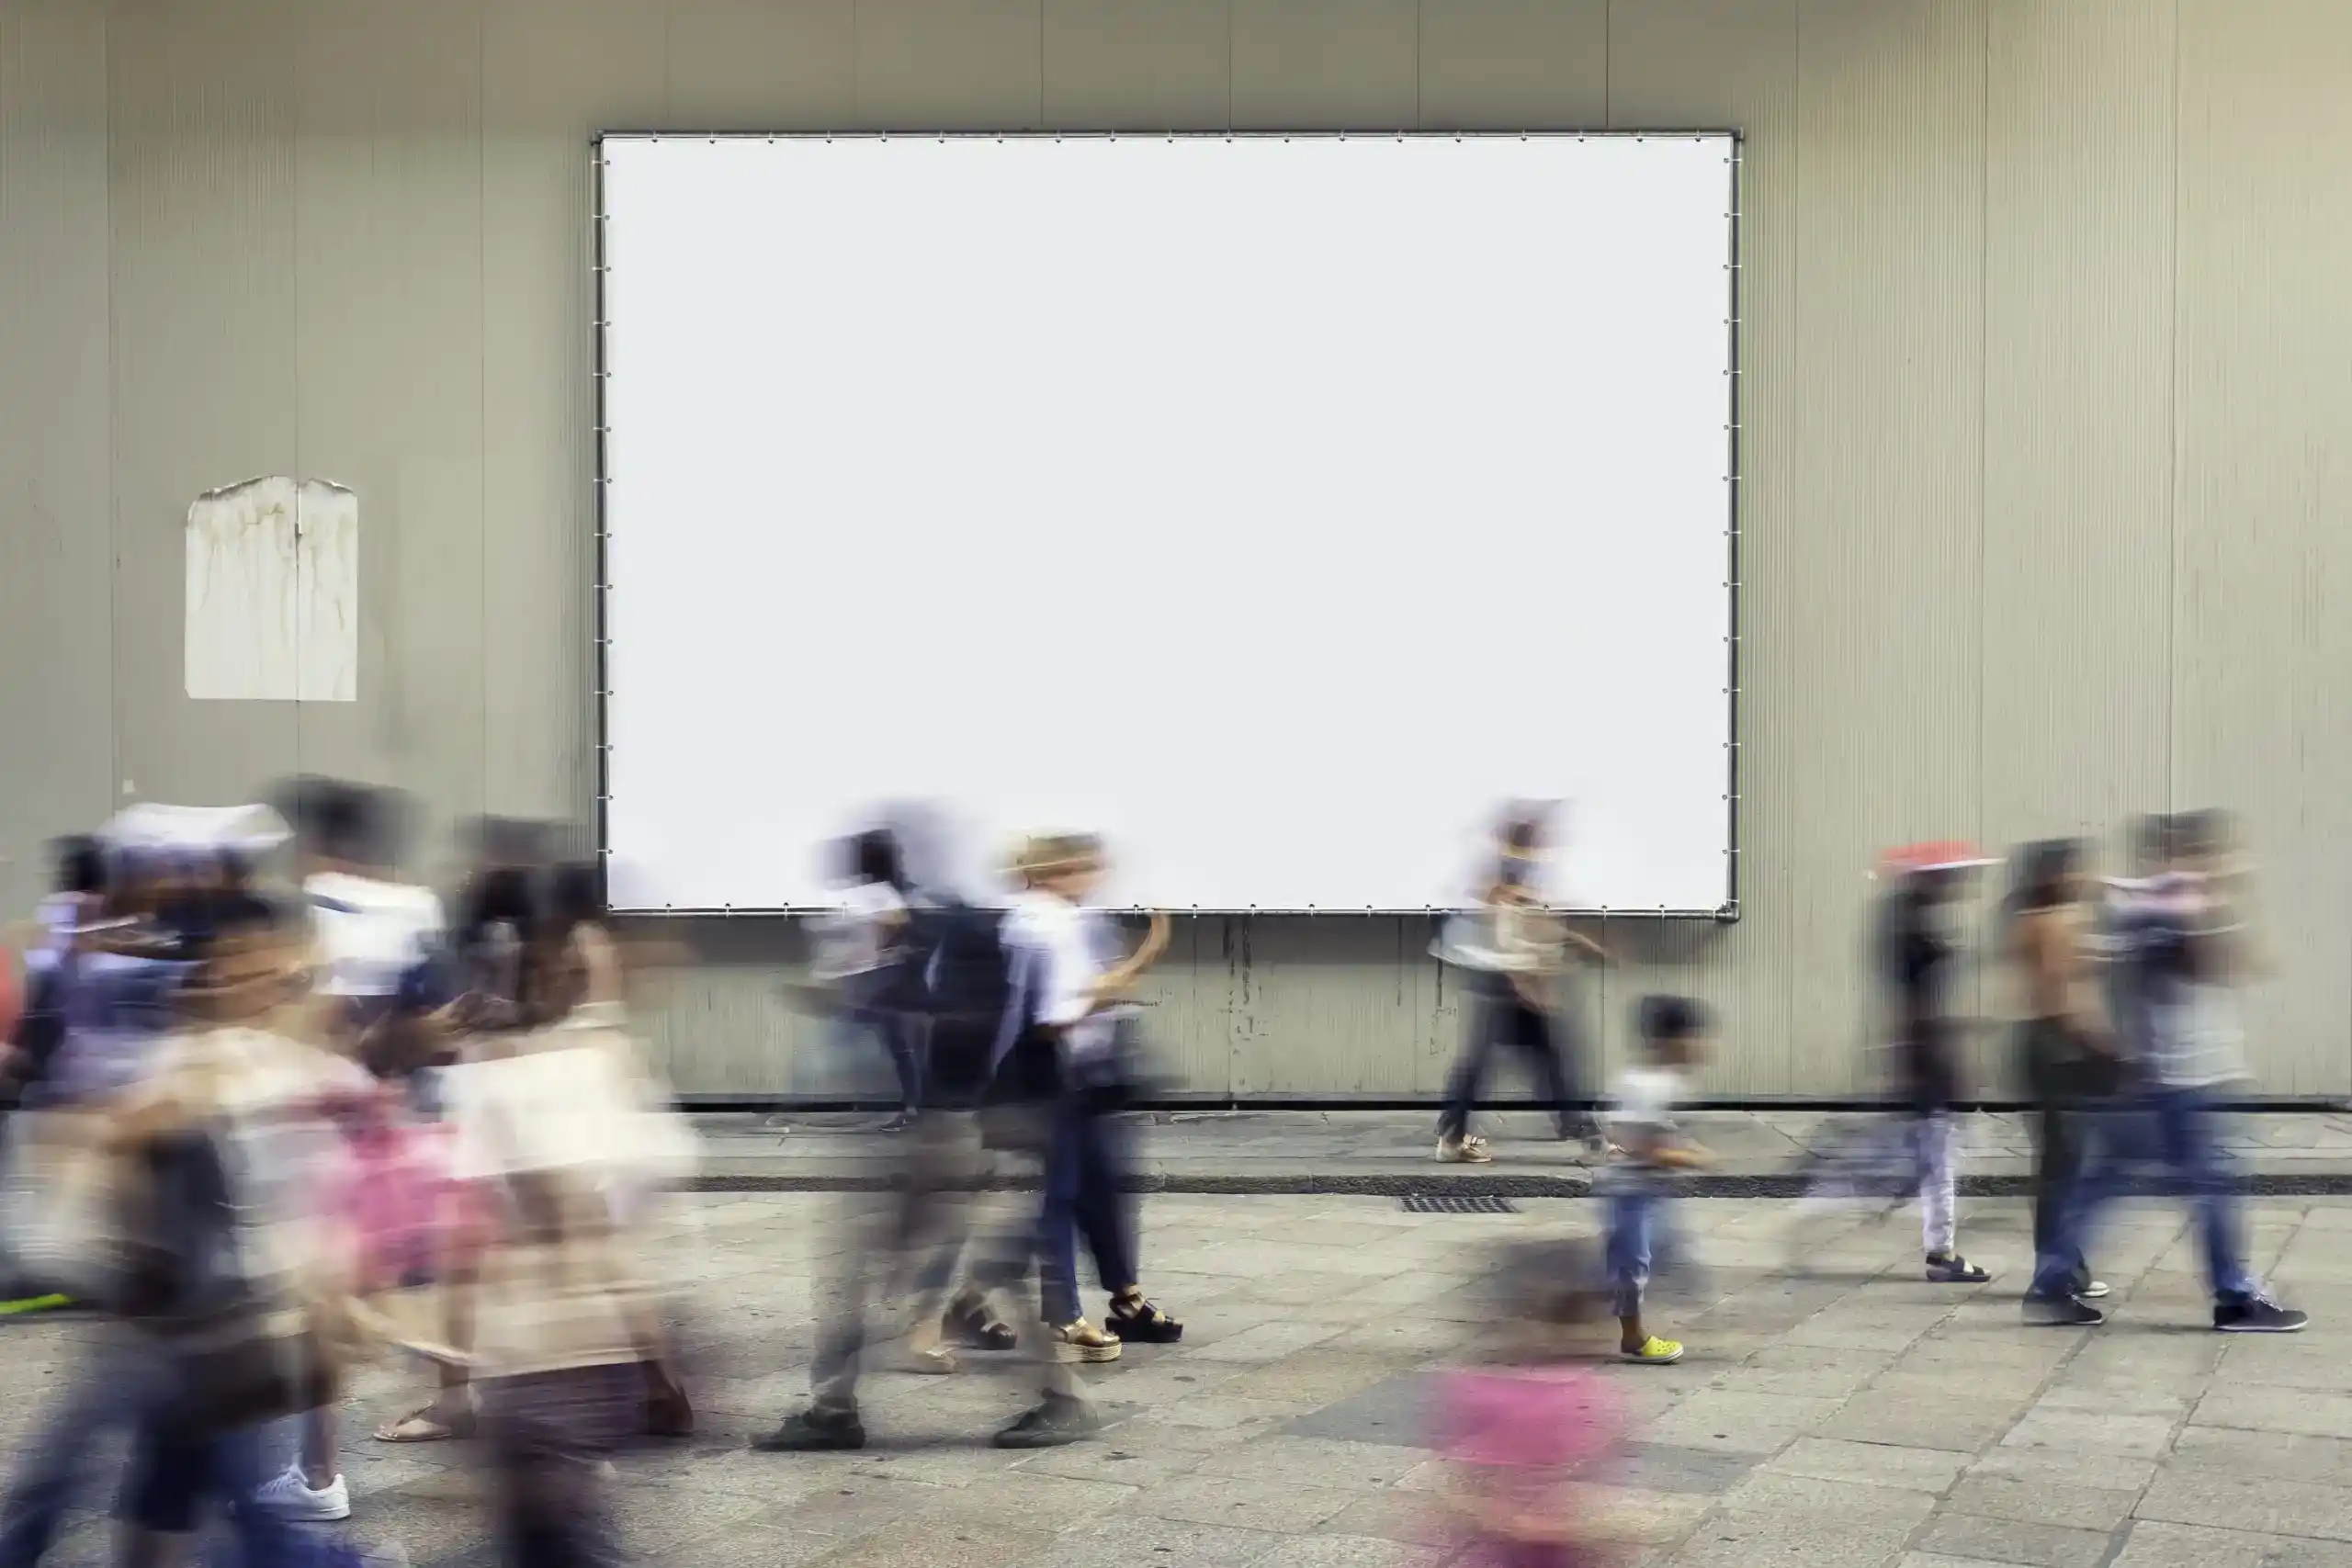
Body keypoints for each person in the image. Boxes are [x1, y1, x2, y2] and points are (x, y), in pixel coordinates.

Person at [2022, 816, 2304, 1332]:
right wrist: (2223, 895)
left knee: (2104, 1182)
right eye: (2205, 854)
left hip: (2155, 1075)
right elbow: (2225, 964)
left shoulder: (2136, 910)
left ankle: (2050, 1284)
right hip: (2187, 1077)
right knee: (2213, 1186)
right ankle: (2235, 1296)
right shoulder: (2169, 910)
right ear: (2181, 856)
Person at [1013, 834, 1182, 1360]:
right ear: (1053, 871)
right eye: (1082, 866)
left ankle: (1124, 1299)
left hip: (1086, 1076)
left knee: (1102, 1191)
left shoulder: (1076, 920)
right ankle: (1059, 1312)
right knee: (1060, 1197)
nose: (1094, 875)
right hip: (1052, 1078)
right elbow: (1061, 1012)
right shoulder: (1040, 924)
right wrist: (1145, 957)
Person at [1432, 1235, 1625, 1568]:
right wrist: (1518, 1522)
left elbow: (1593, 1465)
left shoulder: (1587, 1388)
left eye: (1585, 1322)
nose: (1577, 1337)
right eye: (1560, 1321)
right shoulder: (1484, 1393)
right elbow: (1462, 1489)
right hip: (1505, 1551)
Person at [1436, 806, 1612, 1165]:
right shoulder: (1511, 869)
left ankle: (1452, 1138)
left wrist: (1580, 943)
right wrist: (1526, 984)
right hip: (1506, 981)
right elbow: (1509, 926)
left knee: (1502, 1063)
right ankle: (1590, 1139)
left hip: (1502, 979)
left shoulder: (1513, 868)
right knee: (1548, 1062)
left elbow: (1525, 917)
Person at [1878, 842, 1993, 1284]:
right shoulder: (1913, 933)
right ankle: (1941, 1254)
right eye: (1946, 880)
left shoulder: (1905, 925)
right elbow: (1918, 1011)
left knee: (1933, 1157)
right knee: (1940, 1163)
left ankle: (1903, 1192)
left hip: (1922, 1058)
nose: (1953, 887)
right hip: (1926, 1062)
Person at [2006, 839, 2115, 1303]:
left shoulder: (2027, 919)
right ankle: (2057, 1271)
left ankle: (2066, 1264)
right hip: (2059, 1047)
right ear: (2053, 875)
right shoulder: (2053, 922)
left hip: (2039, 1044)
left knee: (2060, 1164)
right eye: (2072, 870)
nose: (2080, 877)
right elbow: (2062, 997)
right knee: (2064, 1166)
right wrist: (2102, 1046)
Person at [1603, 997, 1711, 1366]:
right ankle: (1633, 1338)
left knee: (1657, 1257)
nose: (1701, 1046)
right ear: (1670, 1040)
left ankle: (1579, 1299)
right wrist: (1690, 1157)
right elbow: (1637, 1144)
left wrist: (1679, 1148)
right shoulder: (1645, 1084)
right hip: (1628, 1192)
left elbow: (1658, 1134)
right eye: (1693, 1037)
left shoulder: (1666, 1082)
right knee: (1632, 1266)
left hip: (1650, 1191)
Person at [810, 830, 920, 1125]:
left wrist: (879, 951)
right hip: (862, 979)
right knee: (892, 1044)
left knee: (886, 1044)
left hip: (874, 979)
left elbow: (896, 922)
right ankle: (910, 1106)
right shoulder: (861, 892)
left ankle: (912, 1107)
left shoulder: (877, 891)